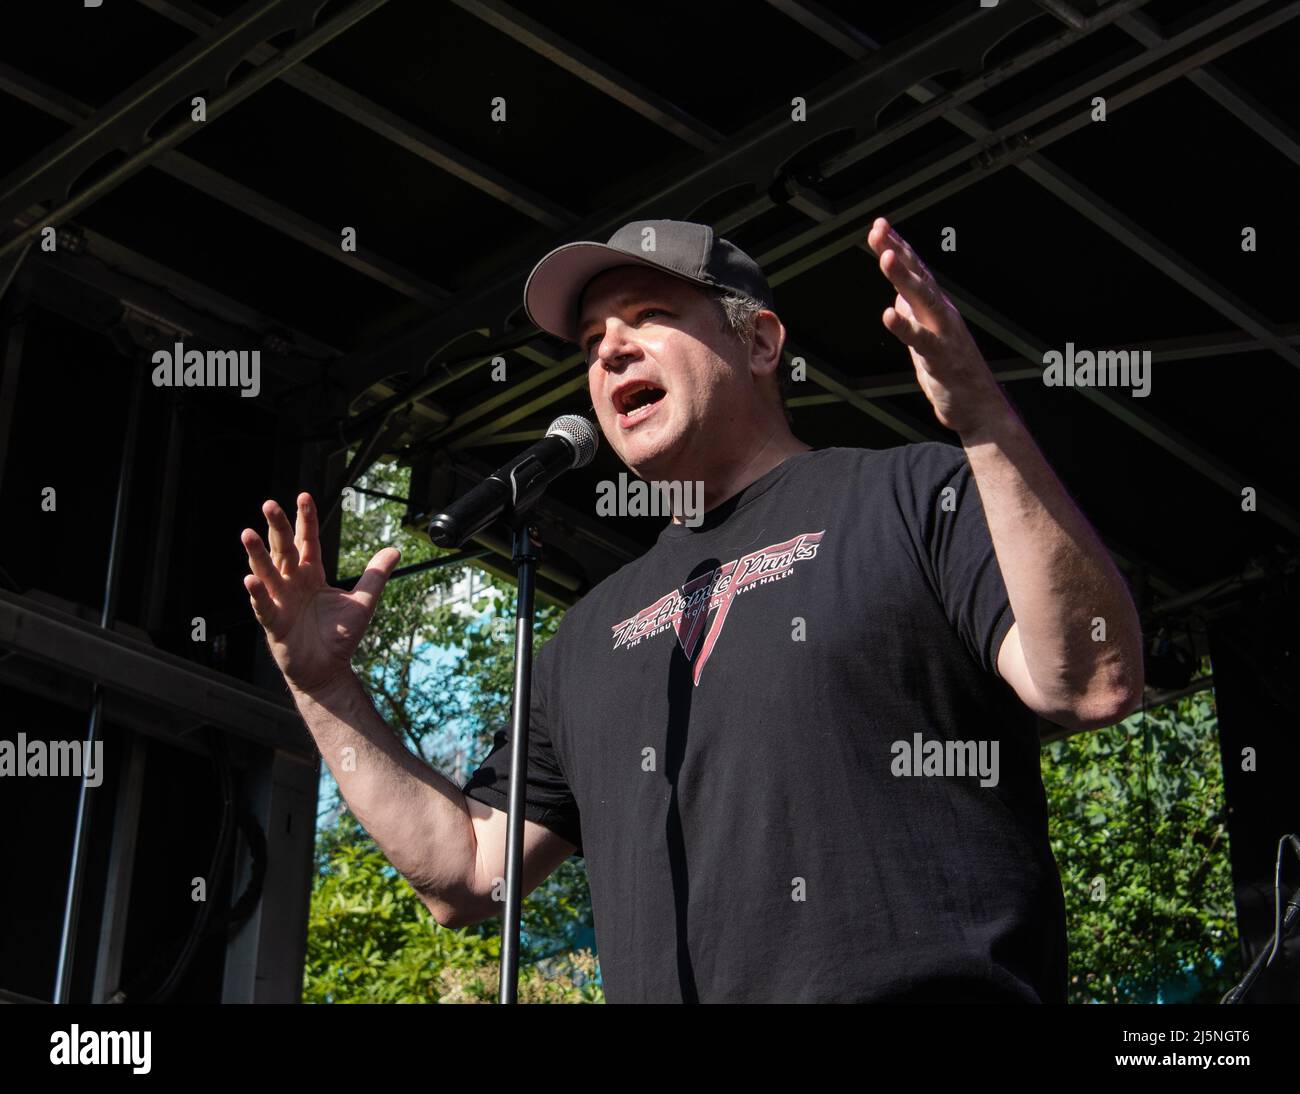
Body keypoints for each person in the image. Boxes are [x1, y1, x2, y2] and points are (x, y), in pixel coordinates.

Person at [241, 217, 1143, 1003]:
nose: (610, 349)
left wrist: (983, 419)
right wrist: (321, 686)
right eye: (593, 337)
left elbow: (1093, 678)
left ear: (759, 344)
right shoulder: (587, 637)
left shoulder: (912, 495)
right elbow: (470, 873)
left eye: (652, 317)